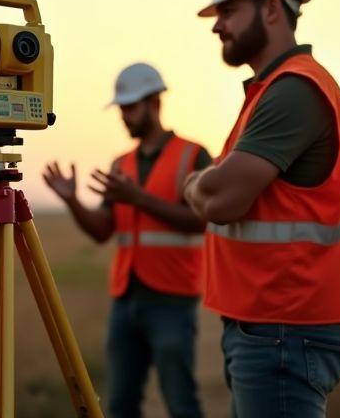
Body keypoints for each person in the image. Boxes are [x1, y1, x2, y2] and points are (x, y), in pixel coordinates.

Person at [183, 0, 340, 417]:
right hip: (270, 326)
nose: (217, 24)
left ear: (271, 8)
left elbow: (221, 197)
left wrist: (192, 185)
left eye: (228, 10)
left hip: (283, 329)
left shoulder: (294, 90)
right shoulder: (272, 89)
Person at [43, 63, 210, 418]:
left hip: (173, 301)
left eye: (130, 107)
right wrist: (72, 200)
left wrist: (140, 200)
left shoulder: (193, 156)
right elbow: (103, 231)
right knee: (120, 406)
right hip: (126, 302)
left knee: (181, 403)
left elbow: (202, 221)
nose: (124, 116)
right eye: (121, 109)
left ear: (154, 103)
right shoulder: (121, 164)